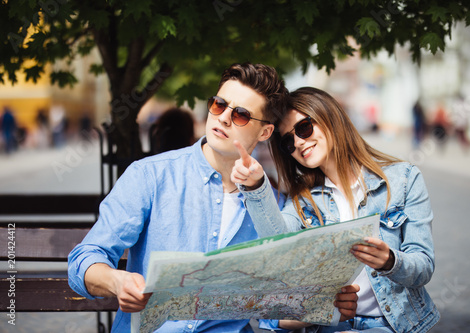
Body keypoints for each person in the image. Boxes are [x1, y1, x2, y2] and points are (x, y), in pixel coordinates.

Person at [68, 64, 358, 332]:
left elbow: (269, 311)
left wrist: (324, 308)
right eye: (219, 104)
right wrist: (117, 281)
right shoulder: (151, 176)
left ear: (265, 131)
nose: (223, 117)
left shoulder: (273, 208)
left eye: (241, 114)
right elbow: (84, 259)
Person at [231, 87, 440, 332]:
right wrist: (256, 185)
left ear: (329, 117)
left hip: (392, 325)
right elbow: (278, 242)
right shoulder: (303, 200)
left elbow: (423, 267)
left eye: (304, 127)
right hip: (330, 326)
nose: (298, 142)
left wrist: (390, 261)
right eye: (288, 140)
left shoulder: (403, 179)